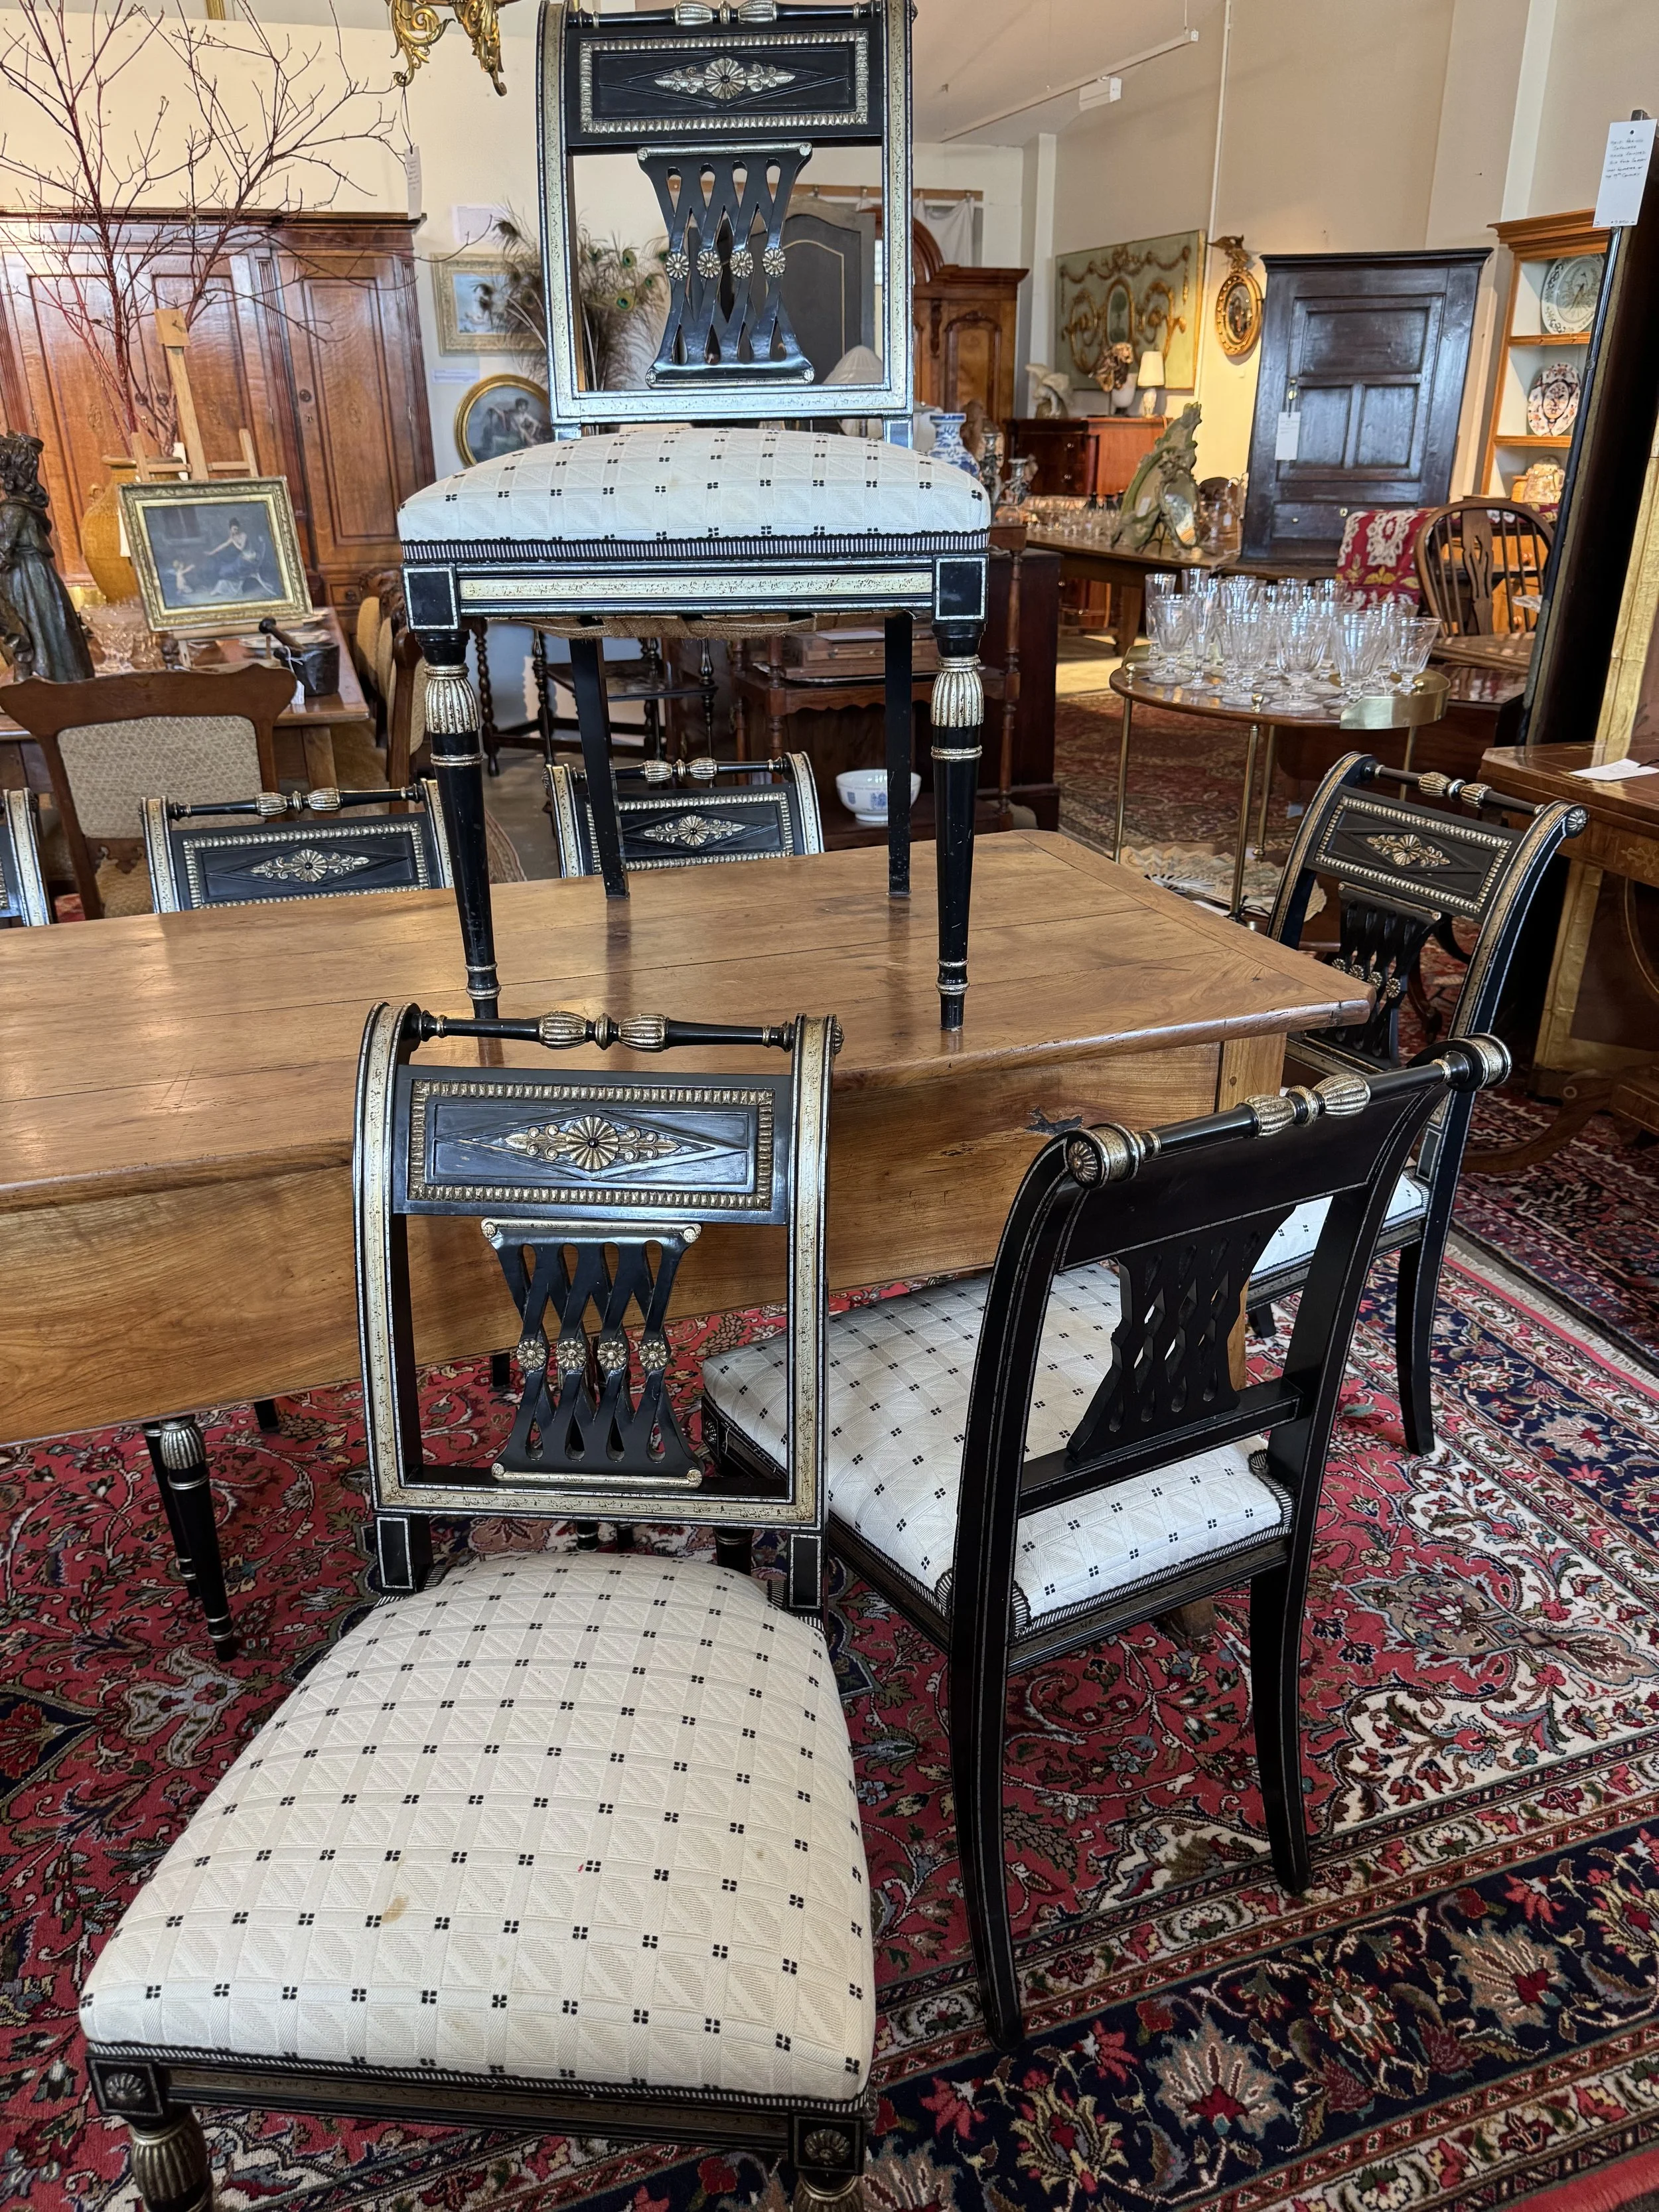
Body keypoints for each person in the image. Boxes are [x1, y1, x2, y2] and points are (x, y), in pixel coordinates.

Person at [0, 432, 94, 681]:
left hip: (25, 578)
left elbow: (3, 552)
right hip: (38, 575)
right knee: (49, 627)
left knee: (36, 628)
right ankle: (59, 675)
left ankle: (44, 679)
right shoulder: (24, 507)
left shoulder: (12, 511)